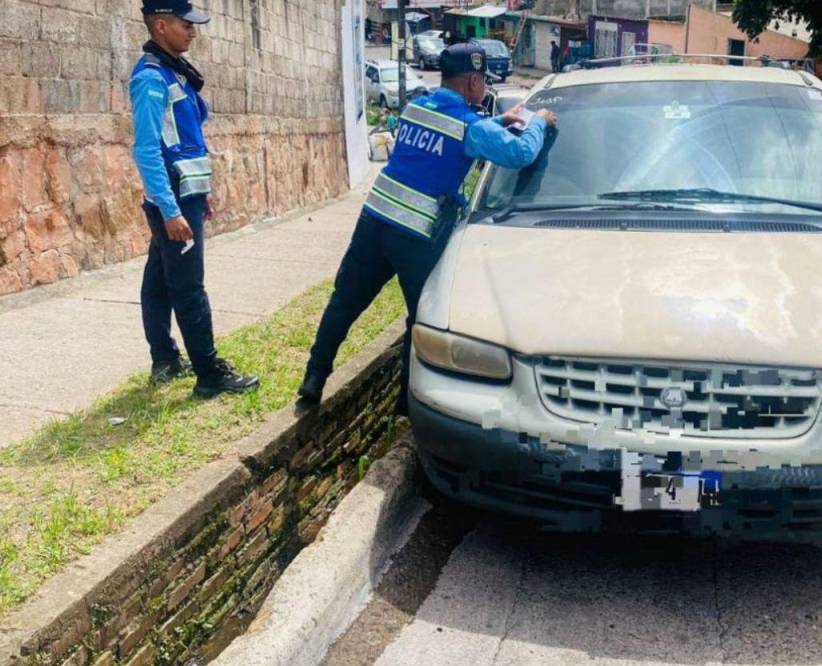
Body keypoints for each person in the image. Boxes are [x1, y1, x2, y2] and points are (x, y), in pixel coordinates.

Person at [298, 43, 558, 404]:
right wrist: (539, 125)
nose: (484, 86)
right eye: (483, 80)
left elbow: (447, 135)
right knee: (421, 318)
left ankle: (313, 379)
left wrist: (499, 120)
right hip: (416, 237)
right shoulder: (471, 128)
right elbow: (518, 154)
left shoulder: (415, 108)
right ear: (471, 82)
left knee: (344, 303)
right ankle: (407, 401)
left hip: (374, 222)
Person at [130, 1, 259, 398]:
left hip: (185, 194)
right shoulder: (152, 79)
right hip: (172, 199)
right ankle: (209, 373)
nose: (194, 31)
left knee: (159, 280)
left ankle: (166, 361)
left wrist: (201, 194)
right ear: (162, 25)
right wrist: (170, 209)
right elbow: (148, 150)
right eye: (186, 25)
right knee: (188, 286)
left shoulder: (173, 73)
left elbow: (187, 141)